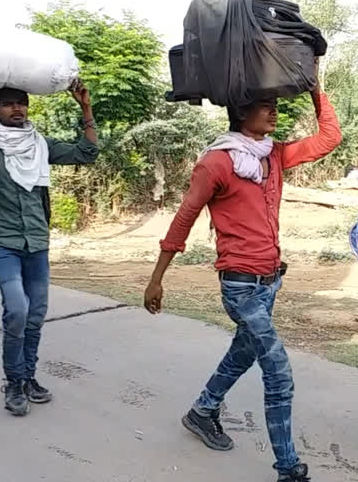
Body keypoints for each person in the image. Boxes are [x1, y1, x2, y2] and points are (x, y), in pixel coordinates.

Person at [143, 72, 342, 482]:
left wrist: (316, 91)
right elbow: (184, 218)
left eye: (275, 103)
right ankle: (289, 469)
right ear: (240, 111)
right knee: (279, 373)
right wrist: (156, 278)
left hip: (271, 281)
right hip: (240, 287)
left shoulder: (274, 155)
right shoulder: (217, 161)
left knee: (244, 353)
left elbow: (327, 140)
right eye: (265, 104)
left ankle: (202, 411)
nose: (274, 110)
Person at [0, 81, 98, 416]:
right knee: (17, 311)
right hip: (5, 242)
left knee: (35, 314)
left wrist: (86, 108)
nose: (16, 109)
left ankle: (28, 378)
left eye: (21, 103)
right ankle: (12, 381)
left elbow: (87, 153)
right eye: (8, 104)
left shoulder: (39, 144)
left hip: (37, 242)